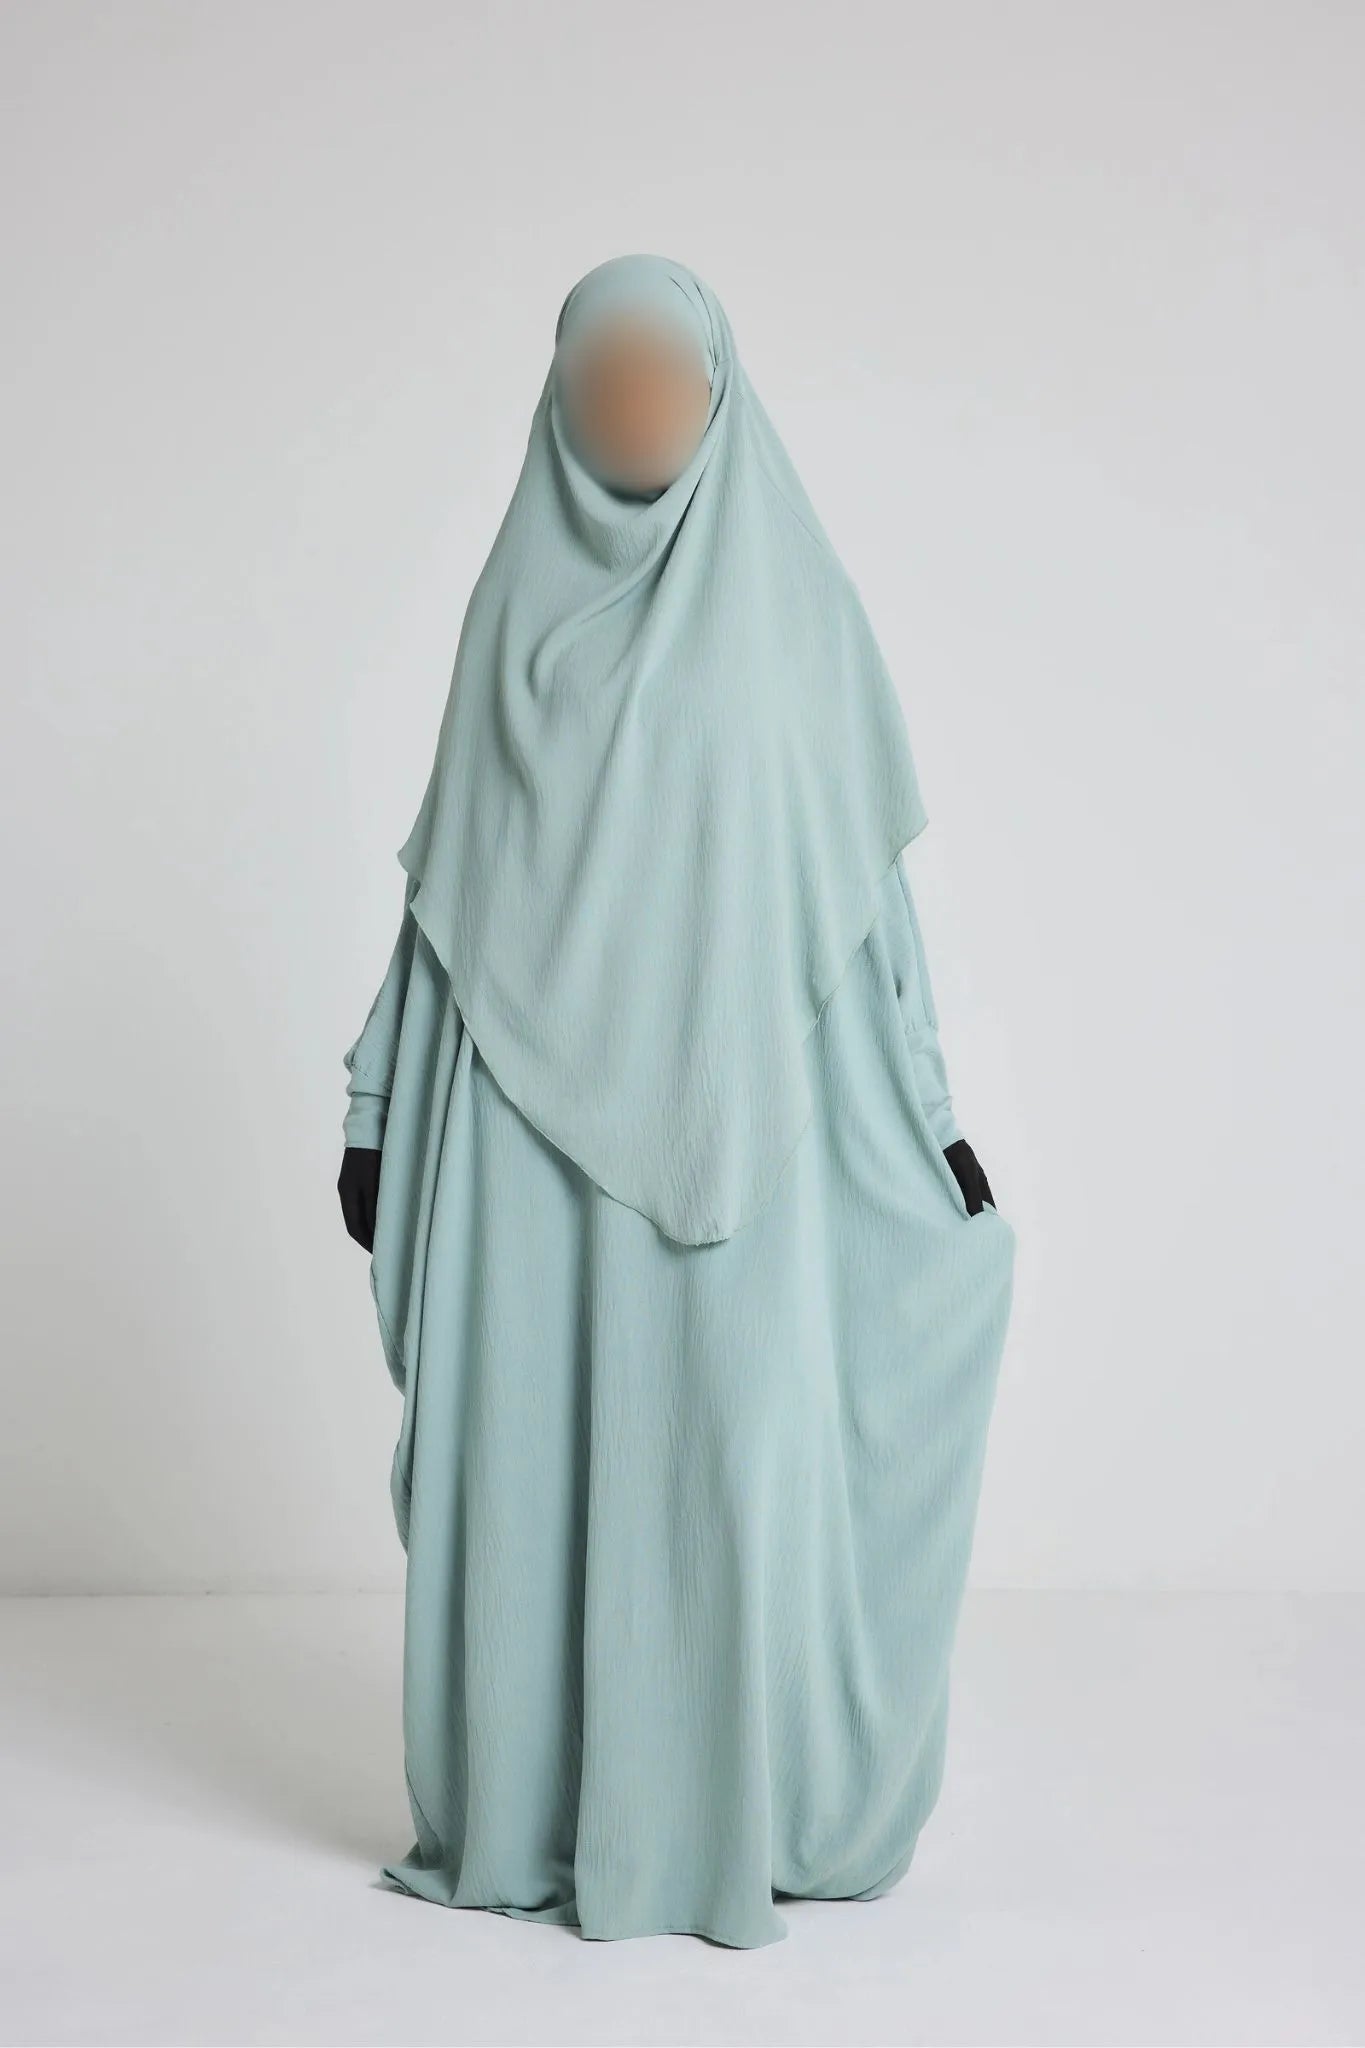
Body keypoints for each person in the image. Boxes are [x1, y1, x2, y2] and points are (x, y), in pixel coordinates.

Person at [337, 254, 1014, 1949]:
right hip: (520, 1154)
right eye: (604, 378)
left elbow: (858, 914)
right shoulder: (509, 626)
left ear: (723, 400)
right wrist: (373, 1107)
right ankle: (540, 1809)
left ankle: (736, 1808)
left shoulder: (792, 621)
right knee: (537, 1470)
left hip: (741, 1145)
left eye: (667, 376)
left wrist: (930, 1118)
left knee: (726, 1477)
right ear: (557, 405)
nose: (636, 406)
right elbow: (444, 903)